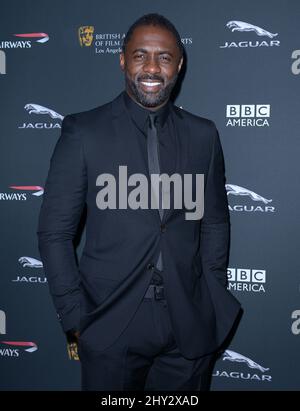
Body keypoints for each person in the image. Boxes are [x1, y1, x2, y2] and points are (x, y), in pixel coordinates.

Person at [37, 13, 241, 391]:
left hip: (189, 322)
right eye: (140, 55)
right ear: (122, 60)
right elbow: (54, 233)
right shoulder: (84, 131)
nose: (151, 67)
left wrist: (211, 290)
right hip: (111, 322)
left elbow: (214, 222)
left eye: (164, 57)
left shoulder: (203, 135)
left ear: (179, 64)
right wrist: (76, 316)